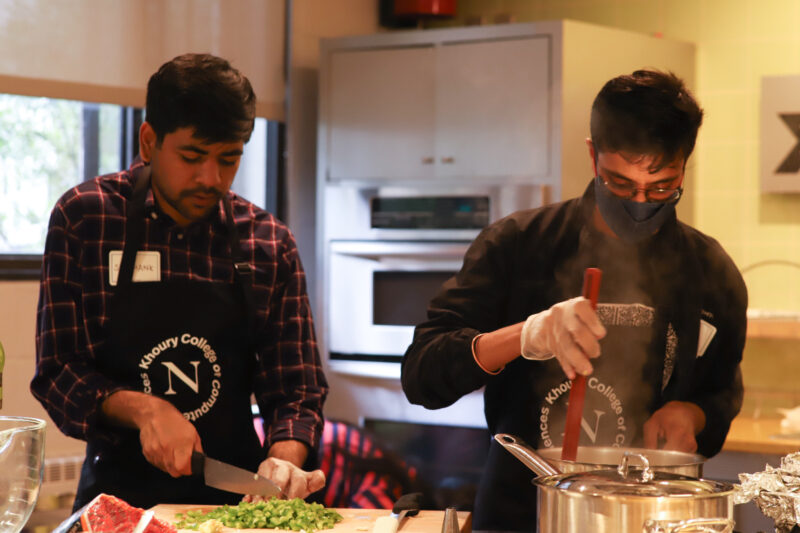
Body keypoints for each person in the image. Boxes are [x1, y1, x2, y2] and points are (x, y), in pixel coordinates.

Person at [401, 69, 747, 531]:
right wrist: (525, 335)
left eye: (662, 187)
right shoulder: (518, 244)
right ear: (592, 155)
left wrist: (694, 413)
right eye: (620, 184)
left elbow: (723, 388)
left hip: (652, 519)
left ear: (685, 165)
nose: (640, 203)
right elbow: (422, 375)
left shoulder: (710, 271)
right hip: (521, 515)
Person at [32, 53, 328, 510]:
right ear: (149, 142)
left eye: (229, 160)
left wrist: (284, 461)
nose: (211, 179)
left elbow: (296, 390)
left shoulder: (269, 243)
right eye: (192, 157)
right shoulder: (86, 219)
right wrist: (145, 409)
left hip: (237, 502)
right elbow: (59, 373)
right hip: (119, 501)